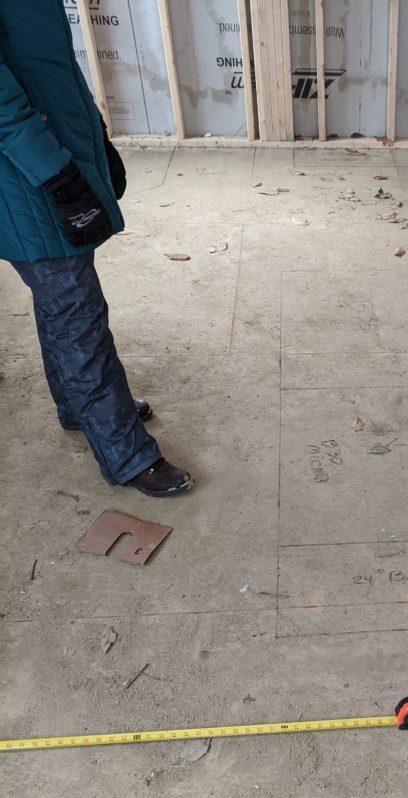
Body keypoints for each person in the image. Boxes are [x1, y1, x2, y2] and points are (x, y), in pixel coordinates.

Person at [0, 0, 192, 496]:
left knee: (61, 300)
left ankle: (76, 407)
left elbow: (50, 70)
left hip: (50, 157)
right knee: (77, 312)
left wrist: (97, 141)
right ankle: (125, 454)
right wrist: (58, 176)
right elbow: (4, 109)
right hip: (23, 179)